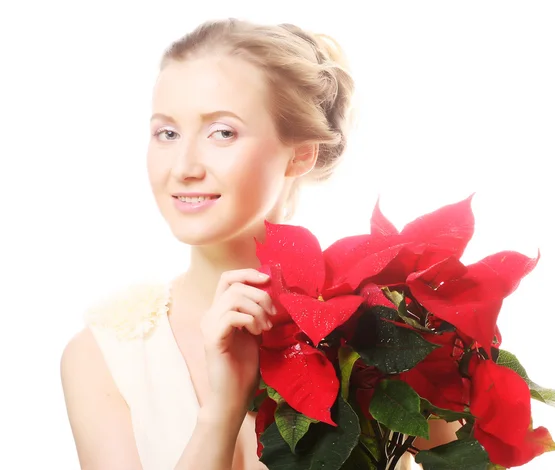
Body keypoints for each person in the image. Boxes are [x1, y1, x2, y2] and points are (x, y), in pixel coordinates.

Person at [60, 18, 459, 470]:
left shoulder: (383, 328)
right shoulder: (104, 354)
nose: (184, 166)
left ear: (300, 153)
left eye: (222, 132)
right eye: (167, 133)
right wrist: (220, 414)